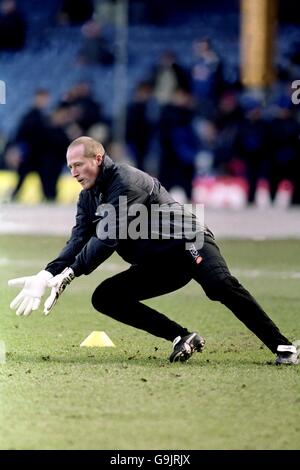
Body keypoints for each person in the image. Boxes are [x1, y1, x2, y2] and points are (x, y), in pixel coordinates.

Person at [8, 136, 298, 365]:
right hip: (158, 265)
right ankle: (181, 337)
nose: (73, 173)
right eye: (69, 167)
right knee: (106, 297)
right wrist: (46, 274)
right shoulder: (88, 197)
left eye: (78, 165)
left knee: (220, 285)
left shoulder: (126, 180)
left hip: (187, 243)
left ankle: (282, 345)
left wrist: (70, 274)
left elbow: (108, 237)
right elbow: (78, 240)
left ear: (98, 159)